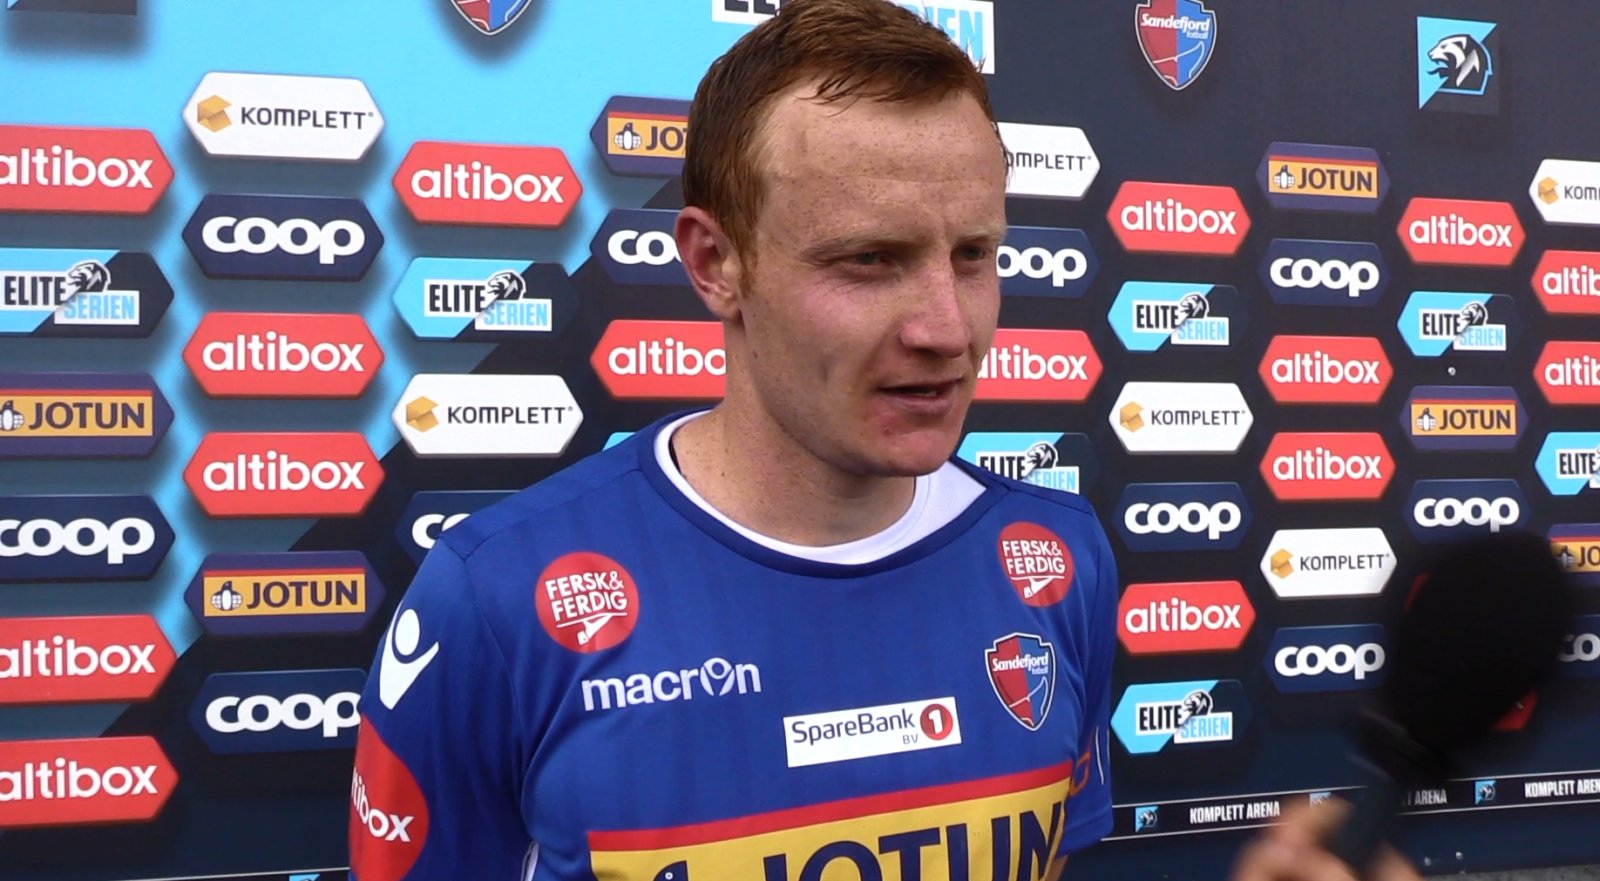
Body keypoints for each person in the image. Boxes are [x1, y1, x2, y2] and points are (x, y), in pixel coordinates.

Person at [348, 2, 1423, 880]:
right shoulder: (494, 599)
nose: (946, 328)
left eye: (973, 254)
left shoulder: (1057, 558)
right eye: (870, 260)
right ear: (715, 263)